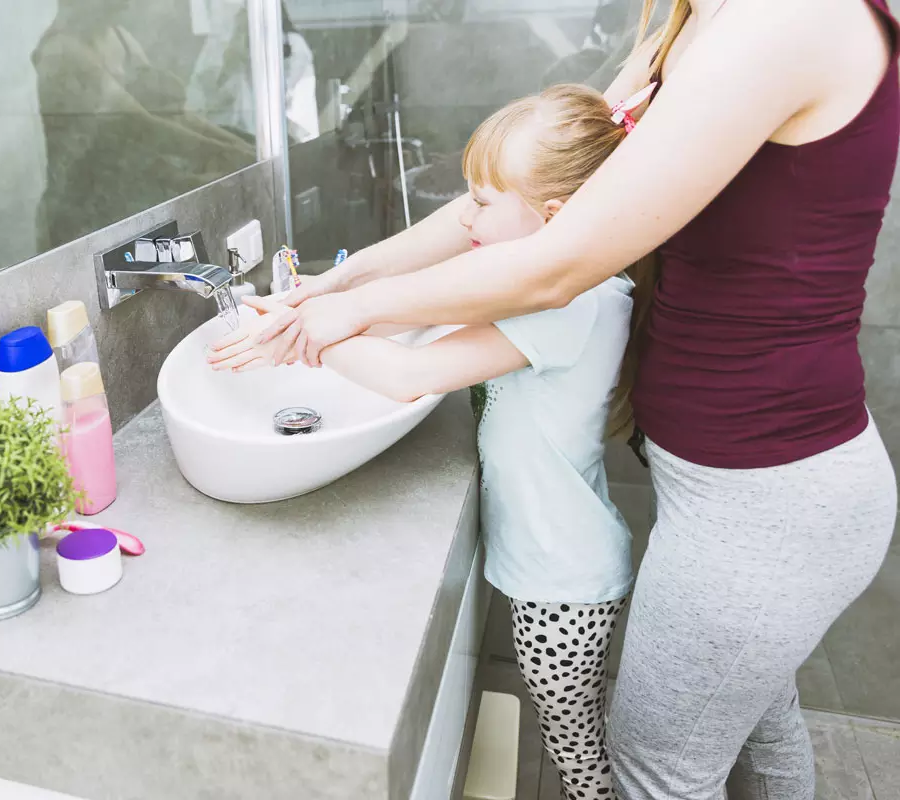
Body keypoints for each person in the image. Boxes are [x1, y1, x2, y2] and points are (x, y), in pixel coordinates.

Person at [222, 0, 900, 796]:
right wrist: (342, 282)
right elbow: (529, 190)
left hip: (769, 501)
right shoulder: (690, 23)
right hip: (735, 487)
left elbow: (555, 260)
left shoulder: (788, 16)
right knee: (757, 714)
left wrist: (343, 315)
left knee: (658, 772)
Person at [212, 84, 648, 800]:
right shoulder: (564, 290)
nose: (464, 215)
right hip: (560, 562)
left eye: (481, 201)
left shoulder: (572, 301)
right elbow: (426, 322)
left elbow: (412, 372)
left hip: (561, 581)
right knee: (572, 734)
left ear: (555, 217)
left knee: (576, 753)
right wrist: (316, 305)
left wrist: (302, 335)